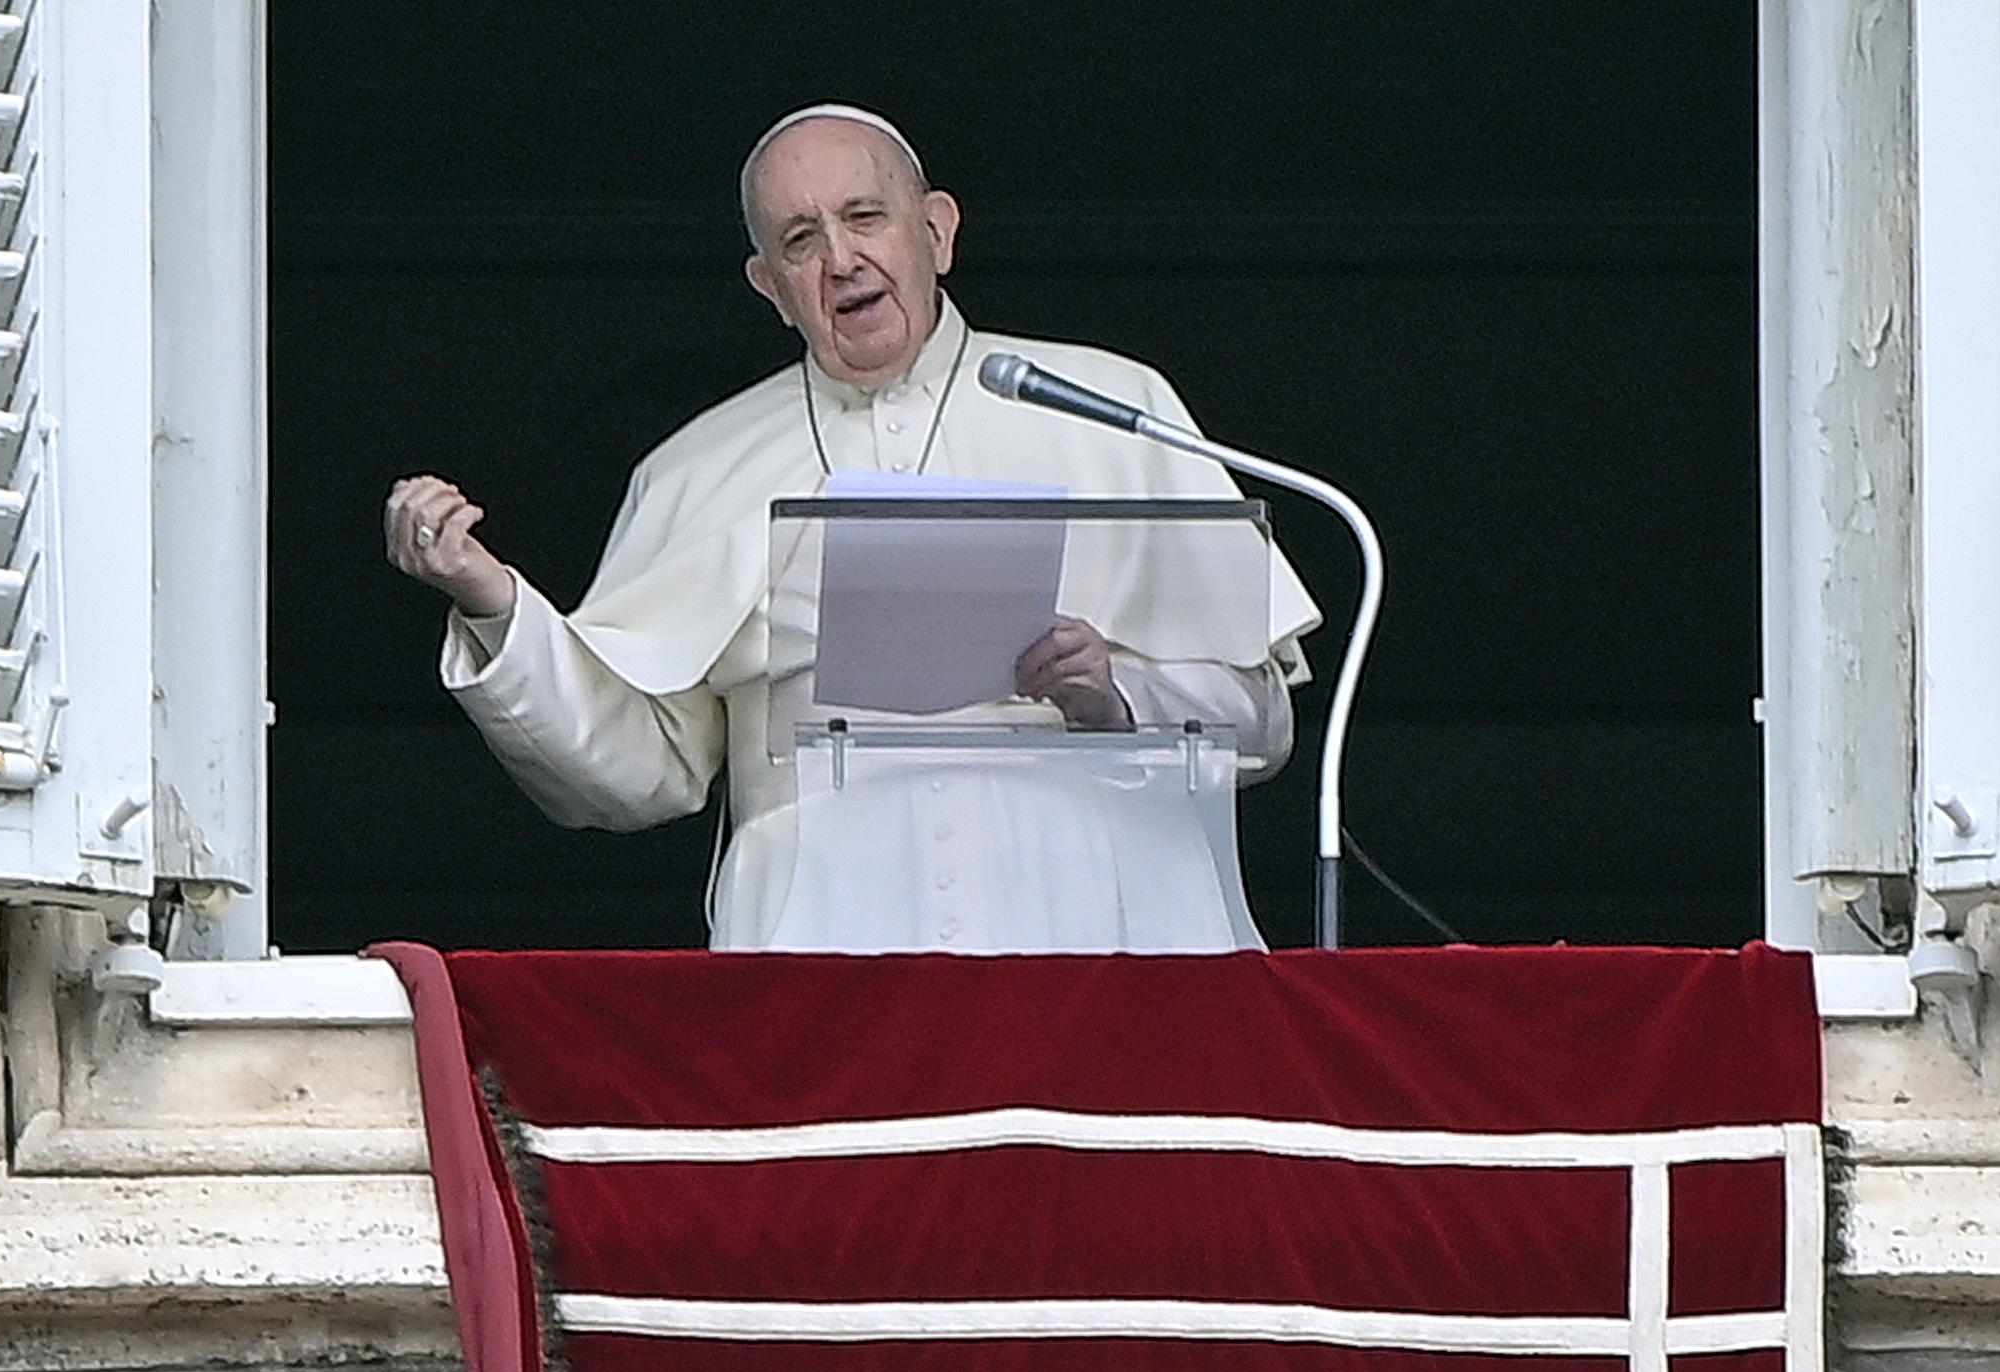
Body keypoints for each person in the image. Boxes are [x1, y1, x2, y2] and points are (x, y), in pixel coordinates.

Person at [384, 105, 1318, 950]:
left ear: (938, 231)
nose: (841, 257)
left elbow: (1261, 720)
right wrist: (496, 604)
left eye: (866, 217)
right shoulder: (694, 469)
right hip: (821, 929)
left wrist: (1112, 700)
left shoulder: (1117, 405)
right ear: (769, 284)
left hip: (1101, 914)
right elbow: (637, 772)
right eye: (801, 238)